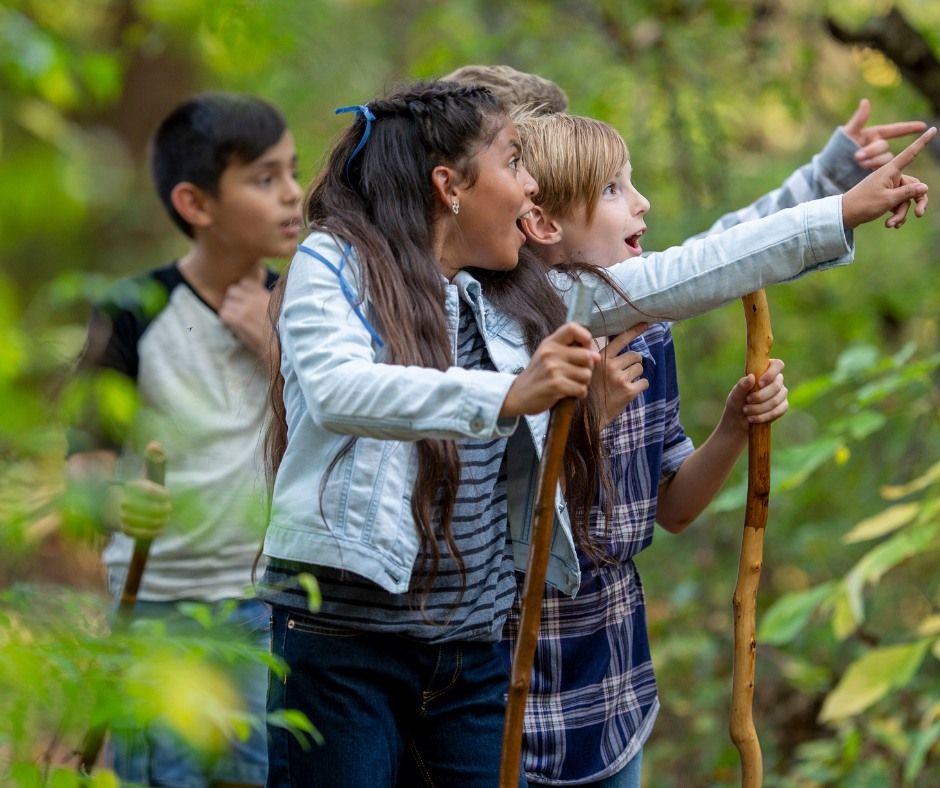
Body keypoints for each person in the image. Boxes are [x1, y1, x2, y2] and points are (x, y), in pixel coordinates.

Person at [258, 76, 931, 786]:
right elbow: (338, 390)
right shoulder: (332, 262)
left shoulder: (519, 296)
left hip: (474, 647)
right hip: (345, 635)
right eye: (515, 164)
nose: (528, 192)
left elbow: (700, 263)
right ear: (450, 184)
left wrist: (837, 209)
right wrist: (514, 394)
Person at [66, 92, 302, 787]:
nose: (292, 194)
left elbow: (341, 431)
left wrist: (274, 345)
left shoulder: (306, 305)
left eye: (292, 171)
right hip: (159, 610)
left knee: (267, 773)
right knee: (166, 774)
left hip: (270, 605)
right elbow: (87, 465)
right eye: (264, 178)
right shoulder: (132, 310)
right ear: (196, 205)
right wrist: (117, 500)